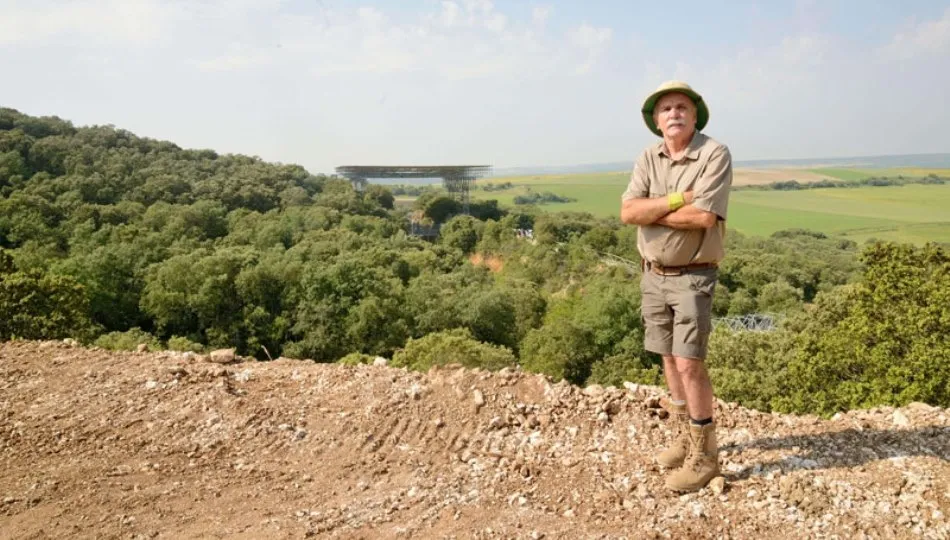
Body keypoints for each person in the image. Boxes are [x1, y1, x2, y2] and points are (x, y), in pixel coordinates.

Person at [619, 80, 732, 493]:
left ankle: (705, 456)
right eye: (665, 109)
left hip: (692, 275)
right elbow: (627, 211)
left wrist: (651, 212)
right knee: (667, 357)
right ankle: (685, 438)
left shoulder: (713, 154)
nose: (674, 114)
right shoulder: (648, 157)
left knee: (689, 362)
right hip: (653, 274)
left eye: (681, 106)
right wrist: (674, 201)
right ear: (656, 120)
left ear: (695, 114)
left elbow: (704, 217)